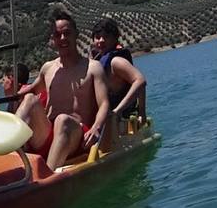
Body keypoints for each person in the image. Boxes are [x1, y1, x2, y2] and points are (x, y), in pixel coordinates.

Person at [15, 11, 109, 171]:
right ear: (53, 39)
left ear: (76, 34)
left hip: (77, 136)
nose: (63, 38)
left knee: (62, 120)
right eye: (58, 35)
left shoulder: (93, 68)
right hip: (47, 134)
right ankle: (6, 154)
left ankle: (47, 177)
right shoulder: (48, 68)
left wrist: (96, 127)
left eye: (67, 33)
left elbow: (104, 103)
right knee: (31, 99)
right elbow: (30, 90)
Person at [91, 19, 147, 125]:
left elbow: (140, 82)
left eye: (106, 37)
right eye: (97, 38)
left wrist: (141, 113)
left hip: (121, 117)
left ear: (115, 39)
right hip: (105, 117)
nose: (101, 40)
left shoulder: (116, 62)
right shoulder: (96, 61)